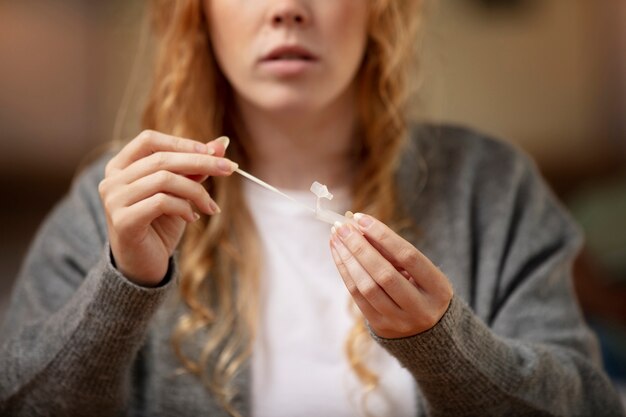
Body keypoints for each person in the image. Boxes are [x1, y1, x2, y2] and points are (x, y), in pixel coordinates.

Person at [0, 0, 624, 416]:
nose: (288, 8)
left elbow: (588, 405)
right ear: (201, 14)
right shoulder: (112, 204)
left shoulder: (491, 187)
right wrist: (122, 285)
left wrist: (444, 344)